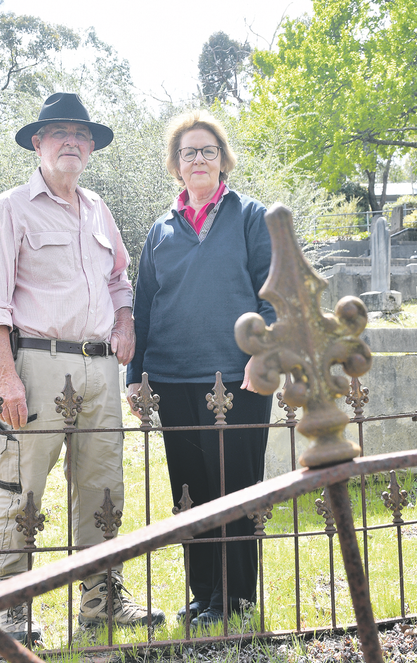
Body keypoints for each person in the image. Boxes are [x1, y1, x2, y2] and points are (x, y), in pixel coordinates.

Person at [0, 92, 165, 645]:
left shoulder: (98, 208)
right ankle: (10, 606)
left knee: (102, 484)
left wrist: (124, 322)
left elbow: (119, 280)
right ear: (38, 143)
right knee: (19, 485)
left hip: (100, 368)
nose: (71, 143)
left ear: (91, 147)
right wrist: (5, 376)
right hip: (38, 363)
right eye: (59, 133)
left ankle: (102, 600)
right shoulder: (9, 208)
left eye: (81, 135)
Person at [126, 109, 274, 629]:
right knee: (191, 492)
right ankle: (205, 592)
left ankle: (235, 599)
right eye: (188, 152)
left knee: (236, 488)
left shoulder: (250, 216)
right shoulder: (161, 230)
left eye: (207, 150)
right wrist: (136, 376)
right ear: (176, 164)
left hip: (240, 376)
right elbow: (144, 306)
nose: (198, 159)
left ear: (222, 158)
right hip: (172, 377)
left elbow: (274, 289)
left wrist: (264, 352)